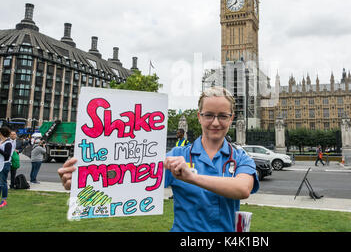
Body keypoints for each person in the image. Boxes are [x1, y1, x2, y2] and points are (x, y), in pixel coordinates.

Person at [58, 86, 259, 232]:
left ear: (232, 118)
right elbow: (127, 179)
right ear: (199, 116)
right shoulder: (177, 157)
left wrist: (191, 177)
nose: (215, 122)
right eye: (209, 115)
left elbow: (242, 189)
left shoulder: (240, 157)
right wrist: (82, 181)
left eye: (223, 116)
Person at [0, 126, 13, 207]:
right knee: (0, 183)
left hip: (5, 164)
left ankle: (4, 200)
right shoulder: (2, 142)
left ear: (1, 133)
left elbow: (7, 156)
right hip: (1, 164)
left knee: (3, 182)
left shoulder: (8, 143)